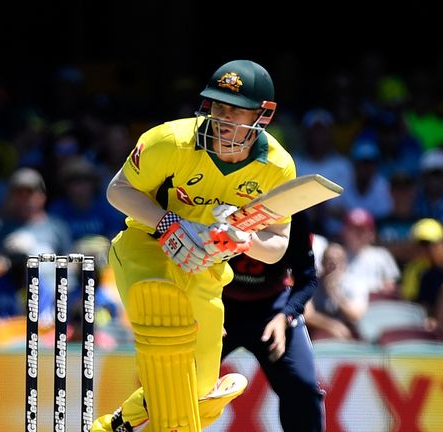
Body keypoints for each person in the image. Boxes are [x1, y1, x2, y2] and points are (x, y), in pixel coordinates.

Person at [93, 59, 295, 431]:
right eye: (218, 105)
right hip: (146, 248)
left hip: (207, 266)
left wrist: (246, 239)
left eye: (236, 110)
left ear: (263, 115)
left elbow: (278, 245)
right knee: (166, 332)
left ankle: (115, 425)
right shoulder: (170, 140)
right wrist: (169, 225)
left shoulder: (277, 167)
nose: (223, 118)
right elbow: (118, 190)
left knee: (200, 395)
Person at [223, 211, 326, 431]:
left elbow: (307, 278)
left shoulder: (294, 212)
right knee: (180, 383)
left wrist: (285, 315)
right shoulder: (220, 202)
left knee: (303, 388)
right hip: (219, 306)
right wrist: (206, 313)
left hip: (273, 309)